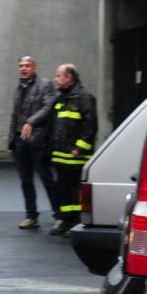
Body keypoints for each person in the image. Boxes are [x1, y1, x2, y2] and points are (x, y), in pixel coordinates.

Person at [40, 63, 96, 236]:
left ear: (69, 78)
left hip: (75, 157)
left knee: (75, 190)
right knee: (63, 190)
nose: (55, 79)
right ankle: (66, 220)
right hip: (60, 156)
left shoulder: (84, 97)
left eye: (58, 76)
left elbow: (90, 127)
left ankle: (77, 223)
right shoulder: (61, 98)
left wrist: (79, 149)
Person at [8, 56, 57, 230]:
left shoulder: (45, 85)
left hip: (38, 139)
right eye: (21, 66)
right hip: (20, 140)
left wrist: (30, 122)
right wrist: (11, 142)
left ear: (34, 68)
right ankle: (31, 216)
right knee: (25, 180)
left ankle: (59, 216)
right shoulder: (18, 89)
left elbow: (48, 107)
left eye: (27, 66)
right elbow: (14, 115)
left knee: (47, 178)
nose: (24, 68)